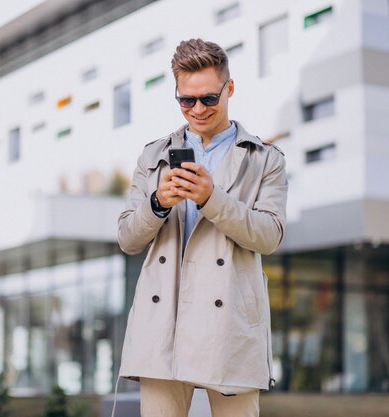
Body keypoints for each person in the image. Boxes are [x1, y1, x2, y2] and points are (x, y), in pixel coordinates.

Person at [116, 39, 288, 417]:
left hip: (229, 326)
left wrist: (213, 199)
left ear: (229, 88)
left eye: (209, 99)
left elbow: (270, 235)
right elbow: (128, 238)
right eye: (186, 100)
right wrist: (158, 203)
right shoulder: (153, 156)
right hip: (163, 324)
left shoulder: (265, 160)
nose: (197, 109)